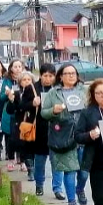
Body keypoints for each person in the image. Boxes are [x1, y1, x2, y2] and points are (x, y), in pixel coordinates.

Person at [40, 63, 88, 205]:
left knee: (84, 172)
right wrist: (54, 111)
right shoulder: (54, 93)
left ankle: (79, 189)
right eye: (67, 73)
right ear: (60, 76)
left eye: (73, 73)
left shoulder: (84, 91)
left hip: (83, 134)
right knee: (70, 171)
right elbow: (44, 113)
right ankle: (71, 202)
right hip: (64, 136)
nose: (71, 76)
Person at [30, 63, 57, 195]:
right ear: (40, 76)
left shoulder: (58, 88)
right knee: (40, 160)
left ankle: (57, 188)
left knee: (56, 161)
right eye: (45, 75)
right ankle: (39, 185)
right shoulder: (33, 88)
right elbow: (22, 105)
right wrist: (32, 103)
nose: (48, 79)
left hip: (57, 130)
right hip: (40, 130)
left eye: (51, 76)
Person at [12, 72, 41, 183]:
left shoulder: (35, 90)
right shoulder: (18, 93)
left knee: (36, 148)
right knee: (26, 147)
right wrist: (31, 104)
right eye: (24, 80)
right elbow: (20, 106)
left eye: (29, 79)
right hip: (25, 123)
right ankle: (30, 170)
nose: (27, 82)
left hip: (37, 122)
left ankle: (37, 169)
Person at [0, 59, 25, 171]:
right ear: (11, 68)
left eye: (20, 66)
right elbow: (1, 98)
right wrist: (7, 95)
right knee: (11, 138)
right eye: (15, 66)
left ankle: (22, 160)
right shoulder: (7, 81)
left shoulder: (26, 79)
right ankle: (11, 158)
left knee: (24, 137)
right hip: (10, 113)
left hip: (23, 113)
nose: (18, 69)